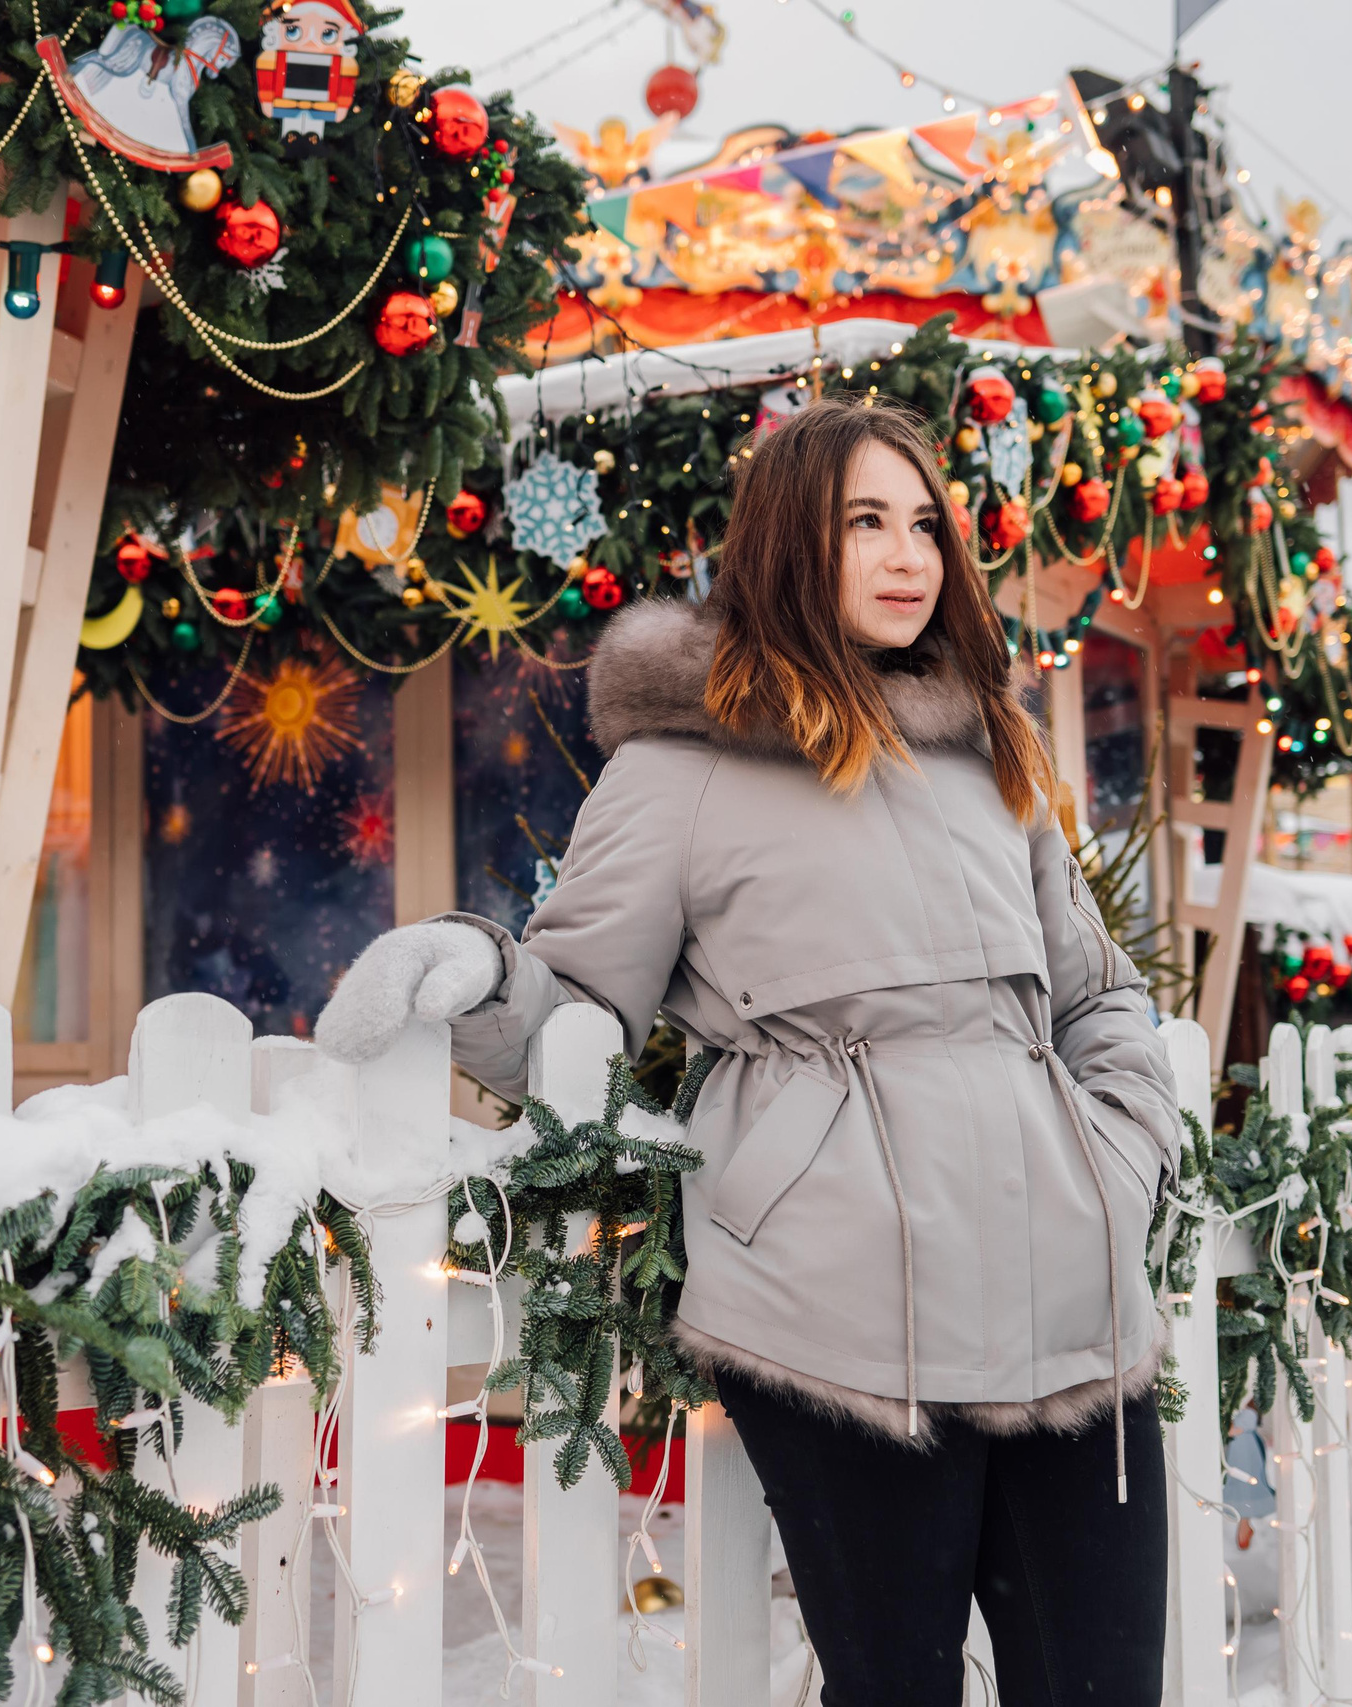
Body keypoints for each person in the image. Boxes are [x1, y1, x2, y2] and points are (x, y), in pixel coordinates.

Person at [315, 397, 1180, 1705]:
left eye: (926, 526)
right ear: (787, 545)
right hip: (838, 1297)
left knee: (1104, 1684)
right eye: (865, 525)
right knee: (896, 1689)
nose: (908, 557)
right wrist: (483, 974)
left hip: (1069, 1286)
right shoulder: (682, 771)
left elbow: (1093, 991)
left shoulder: (990, 750)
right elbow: (583, 1022)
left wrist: (1125, 1146)